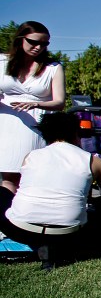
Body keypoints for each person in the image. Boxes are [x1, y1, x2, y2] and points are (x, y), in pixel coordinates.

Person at [0, 112, 101, 262]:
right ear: (76, 133)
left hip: (22, 230)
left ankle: (41, 245)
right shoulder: (93, 162)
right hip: (68, 232)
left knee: (3, 193)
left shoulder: (31, 156)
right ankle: (57, 246)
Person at [0, 21, 66, 192]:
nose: (38, 47)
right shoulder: (2, 61)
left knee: (31, 177)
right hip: (6, 123)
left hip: (35, 125)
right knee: (8, 179)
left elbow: (60, 103)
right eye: (33, 42)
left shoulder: (53, 68)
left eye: (44, 44)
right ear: (20, 39)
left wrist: (36, 103)